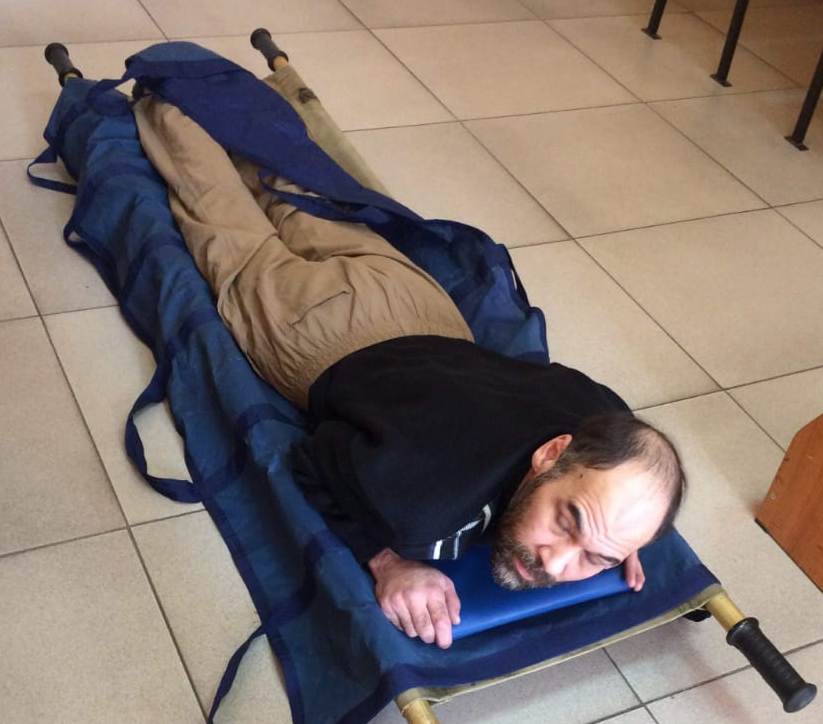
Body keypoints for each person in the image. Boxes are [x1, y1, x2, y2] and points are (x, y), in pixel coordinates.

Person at [133, 96, 685, 649]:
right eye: (567, 521)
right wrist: (389, 562)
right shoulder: (419, 510)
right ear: (552, 453)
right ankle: (164, 98)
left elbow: (632, 449)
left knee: (298, 194)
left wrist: (614, 539)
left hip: (421, 307)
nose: (557, 563)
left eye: (595, 558)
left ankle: (217, 94)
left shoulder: (601, 427)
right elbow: (314, 461)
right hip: (317, 335)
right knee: (218, 210)